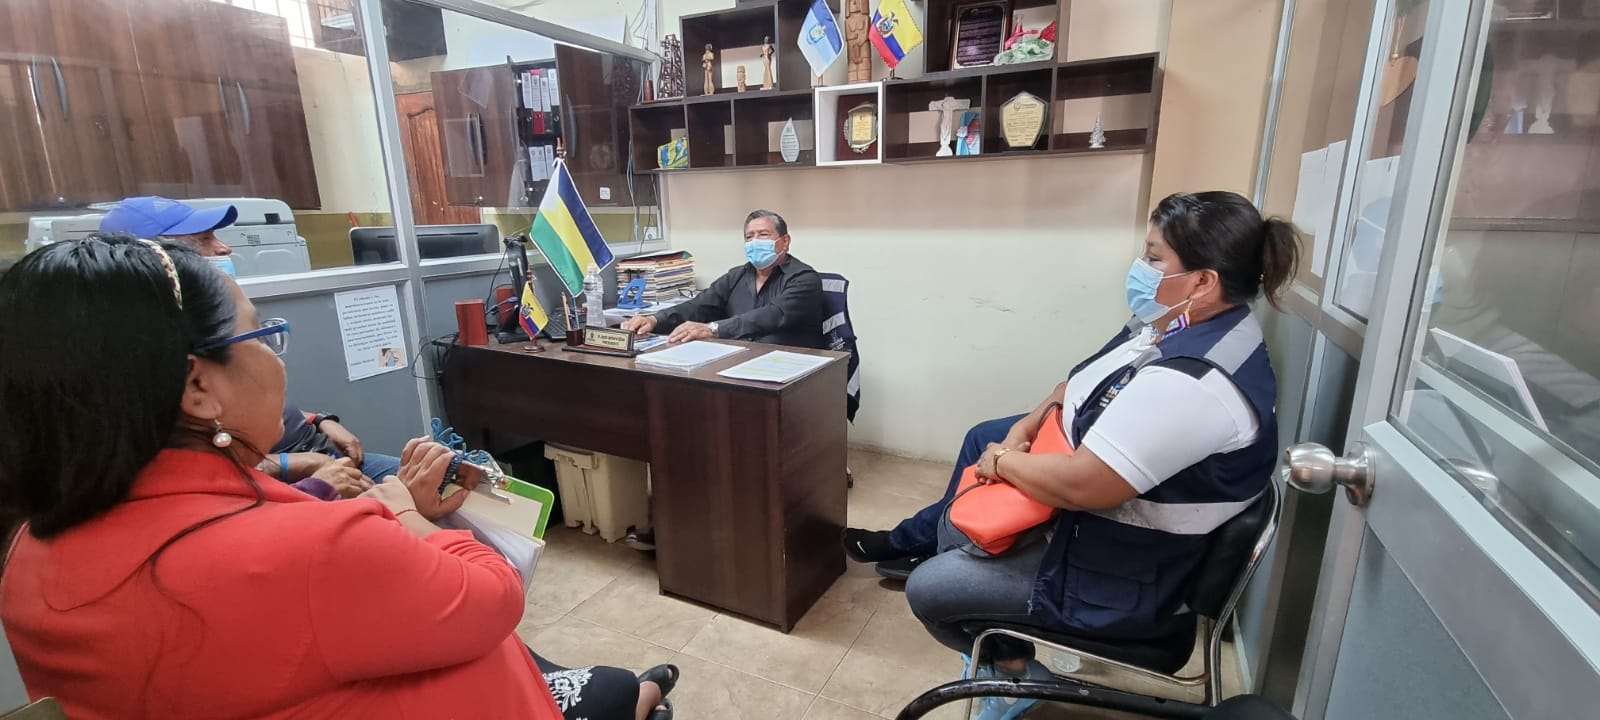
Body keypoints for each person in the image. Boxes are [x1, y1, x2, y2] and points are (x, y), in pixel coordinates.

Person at [0, 234, 677, 719]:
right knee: (614, 688)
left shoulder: (27, 555)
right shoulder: (311, 551)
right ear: (197, 387)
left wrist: (378, 511)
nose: (277, 357)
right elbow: (493, 595)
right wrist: (402, 514)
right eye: (259, 334)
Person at [840, 191, 1298, 655]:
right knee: (985, 435)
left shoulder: (1193, 383)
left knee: (932, 588)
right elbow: (1074, 384)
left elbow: (1083, 485)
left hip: (1119, 566)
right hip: (1088, 485)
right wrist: (1023, 428)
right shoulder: (1172, 321)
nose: (1139, 266)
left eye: (1153, 257)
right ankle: (928, 539)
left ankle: (1011, 668)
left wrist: (1003, 461)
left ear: (1202, 281)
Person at [101, 195, 403, 494]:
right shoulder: (148, 365)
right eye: (204, 239)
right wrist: (297, 470)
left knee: (423, 477)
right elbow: (197, 466)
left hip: (318, 452)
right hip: (300, 477)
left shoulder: (220, 319)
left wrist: (319, 420)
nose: (223, 248)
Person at [621, 209, 826, 349]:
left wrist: (712, 329)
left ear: (785, 241)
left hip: (788, 365)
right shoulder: (737, 276)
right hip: (737, 358)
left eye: (763, 235)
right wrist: (654, 319)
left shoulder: (804, 279)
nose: (755, 241)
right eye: (749, 237)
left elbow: (771, 316)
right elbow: (699, 305)